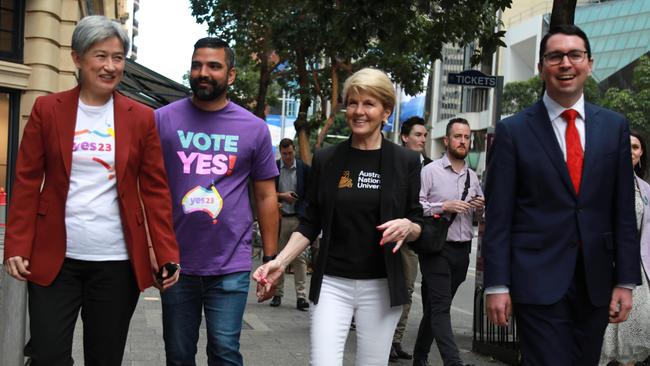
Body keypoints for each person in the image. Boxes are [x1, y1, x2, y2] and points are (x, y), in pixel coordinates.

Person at [2, 15, 180, 366]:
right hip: (55, 259)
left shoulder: (141, 117)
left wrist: (166, 251)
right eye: (100, 56)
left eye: (118, 57)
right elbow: (25, 180)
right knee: (48, 354)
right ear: (77, 59)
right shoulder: (47, 109)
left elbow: (156, 190)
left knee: (104, 357)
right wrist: (17, 244)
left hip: (116, 263)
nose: (110, 66)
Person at [483, 24, 640, 366]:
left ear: (590, 63)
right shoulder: (514, 131)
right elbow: (498, 216)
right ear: (541, 67)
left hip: (596, 280)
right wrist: (496, 284)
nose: (565, 63)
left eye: (574, 55)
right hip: (537, 278)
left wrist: (626, 281)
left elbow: (622, 211)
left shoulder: (614, 127)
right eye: (555, 56)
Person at [253, 67, 423, 366]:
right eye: (352, 103)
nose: (358, 111)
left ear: (386, 111)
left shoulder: (405, 161)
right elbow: (310, 221)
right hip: (332, 283)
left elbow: (418, 220)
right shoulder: (327, 158)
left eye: (368, 104)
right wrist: (278, 262)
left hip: (381, 285)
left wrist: (410, 227)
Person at [154, 37, 279, 366]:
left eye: (213, 66)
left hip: (230, 262)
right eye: (197, 65)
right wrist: (152, 248)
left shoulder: (254, 129)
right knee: (178, 355)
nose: (203, 72)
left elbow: (266, 196)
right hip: (176, 261)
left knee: (224, 352)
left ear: (232, 75)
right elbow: (148, 187)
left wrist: (270, 258)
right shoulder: (162, 121)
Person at [412, 118, 483, 366]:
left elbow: (478, 215)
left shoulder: (473, 178)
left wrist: (479, 208)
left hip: (462, 251)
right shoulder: (429, 171)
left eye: (466, 137)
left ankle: (419, 357)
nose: (463, 141)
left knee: (435, 308)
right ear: (446, 140)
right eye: (458, 136)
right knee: (441, 307)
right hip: (436, 249)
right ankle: (454, 362)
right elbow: (416, 207)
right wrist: (443, 206)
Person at [601, 130, 650, 366]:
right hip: (603, 268)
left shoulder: (646, 190)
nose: (631, 151)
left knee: (629, 348)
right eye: (626, 145)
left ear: (641, 155)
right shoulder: (600, 183)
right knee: (599, 342)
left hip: (636, 272)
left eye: (636, 147)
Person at [388, 116, 431, 362]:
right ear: (405, 137)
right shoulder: (392, 162)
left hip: (423, 236)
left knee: (409, 290)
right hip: (395, 235)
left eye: (425, 135)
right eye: (418, 135)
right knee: (395, 288)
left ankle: (396, 340)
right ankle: (388, 339)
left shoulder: (431, 166)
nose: (423, 140)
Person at [270, 137, 311, 310]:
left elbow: (310, 193)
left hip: (297, 218)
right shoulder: (274, 168)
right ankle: (277, 294)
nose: (288, 157)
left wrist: (305, 213)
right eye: (285, 153)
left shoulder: (303, 169)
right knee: (279, 257)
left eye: (290, 153)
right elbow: (268, 192)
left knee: (299, 258)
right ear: (280, 152)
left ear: (294, 150)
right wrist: (282, 197)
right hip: (280, 218)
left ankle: (301, 296)